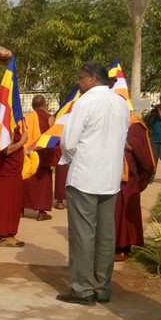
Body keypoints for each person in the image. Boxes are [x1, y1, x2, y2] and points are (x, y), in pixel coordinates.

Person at [56, 62, 129, 305]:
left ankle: (82, 289)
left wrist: (73, 157)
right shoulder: (120, 103)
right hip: (110, 177)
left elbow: (69, 140)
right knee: (105, 235)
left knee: (83, 235)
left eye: (81, 78)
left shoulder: (85, 102)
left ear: (91, 79)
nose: (79, 82)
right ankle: (102, 286)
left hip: (85, 176)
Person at [114, 111, 156, 261]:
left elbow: (142, 153)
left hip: (126, 176)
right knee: (118, 212)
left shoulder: (134, 125)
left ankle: (122, 247)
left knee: (124, 211)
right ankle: (119, 246)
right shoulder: (117, 122)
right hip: (113, 175)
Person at [0, 121, 28, 247]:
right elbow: (6, 150)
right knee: (8, 204)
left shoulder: (0, 123)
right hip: (6, 174)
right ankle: (5, 236)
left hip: (5, 173)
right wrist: (22, 141)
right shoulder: (3, 124)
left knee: (0, 203)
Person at [22, 95, 54, 221]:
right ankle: (41, 212)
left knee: (26, 180)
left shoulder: (27, 117)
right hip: (42, 154)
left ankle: (21, 209)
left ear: (32, 105)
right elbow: (52, 137)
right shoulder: (49, 118)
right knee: (43, 183)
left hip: (28, 153)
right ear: (44, 104)